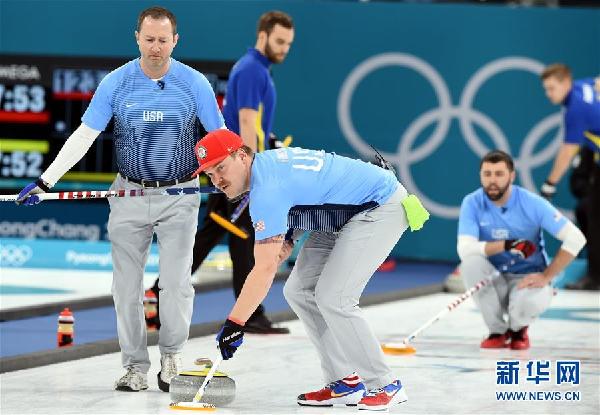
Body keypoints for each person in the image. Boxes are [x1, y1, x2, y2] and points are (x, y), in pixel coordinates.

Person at [15, 6, 224, 392]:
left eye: (163, 40)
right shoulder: (116, 82)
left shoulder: (195, 85)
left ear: (175, 41)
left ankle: (172, 357)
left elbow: (219, 141)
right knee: (126, 287)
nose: (156, 48)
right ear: (137, 38)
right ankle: (134, 367)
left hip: (180, 194)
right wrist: (45, 182)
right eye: (149, 39)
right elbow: (84, 136)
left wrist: (235, 179)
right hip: (127, 193)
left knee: (176, 284)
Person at [194, 129, 430, 411]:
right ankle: (344, 382)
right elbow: (312, 189)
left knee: (335, 297)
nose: (218, 180)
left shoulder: (266, 190)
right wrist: (290, 236)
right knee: (299, 291)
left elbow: (265, 268)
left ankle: (385, 384)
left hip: (379, 206)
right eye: (210, 173)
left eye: (221, 167)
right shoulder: (267, 168)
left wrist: (235, 323)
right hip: (344, 212)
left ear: (242, 156)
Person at [190, 10, 295, 334]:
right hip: (238, 171)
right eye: (279, 41)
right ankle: (159, 293)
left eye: (288, 44)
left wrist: (268, 145)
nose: (284, 49)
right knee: (240, 236)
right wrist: (253, 173)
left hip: (237, 167)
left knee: (223, 236)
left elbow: (258, 126)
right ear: (262, 36)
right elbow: (247, 122)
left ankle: (158, 292)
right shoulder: (252, 70)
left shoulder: (258, 69)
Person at [458, 150, 586, 350]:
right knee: (470, 263)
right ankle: (497, 332)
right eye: (487, 174)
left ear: (512, 176)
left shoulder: (532, 203)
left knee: (526, 305)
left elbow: (576, 238)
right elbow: (465, 249)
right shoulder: (472, 202)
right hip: (494, 277)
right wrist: (507, 245)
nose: (492, 180)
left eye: (499, 174)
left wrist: (546, 276)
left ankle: (518, 330)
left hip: (528, 277)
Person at [539, 64, 600, 290]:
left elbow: (567, 152)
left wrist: (549, 185)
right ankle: (595, 276)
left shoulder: (575, 109)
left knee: (595, 218)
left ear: (566, 82)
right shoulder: (585, 85)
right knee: (589, 212)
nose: (548, 94)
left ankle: (595, 278)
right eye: (546, 89)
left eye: (552, 88)